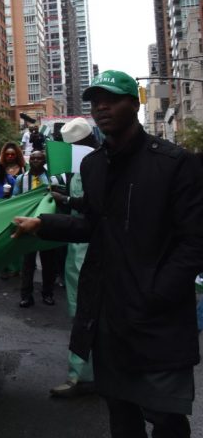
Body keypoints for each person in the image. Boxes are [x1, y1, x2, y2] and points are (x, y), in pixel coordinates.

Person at [13, 70, 203, 438]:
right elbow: (93, 224)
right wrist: (42, 224)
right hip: (107, 316)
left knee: (165, 417)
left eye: (111, 100)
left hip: (156, 319)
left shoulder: (174, 162)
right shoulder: (94, 165)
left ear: (134, 104)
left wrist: (157, 293)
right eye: (96, 101)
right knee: (121, 414)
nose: (101, 107)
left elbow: (194, 241)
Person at [46, 116, 98, 399]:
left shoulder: (98, 166)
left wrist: (66, 200)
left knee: (87, 313)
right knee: (81, 312)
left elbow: (94, 207)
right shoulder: (75, 169)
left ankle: (84, 376)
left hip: (92, 249)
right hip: (77, 248)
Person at [12, 149, 59, 308]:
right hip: (27, 225)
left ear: (44, 161)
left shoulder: (53, 178)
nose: (35, 161)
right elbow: (14, 198)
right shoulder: (21, 179)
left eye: (39, 158)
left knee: (49, 262)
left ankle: (48, 293)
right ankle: (26, 296)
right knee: (27, 263)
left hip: (46, 224)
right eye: (32, 158)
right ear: (29, 160)